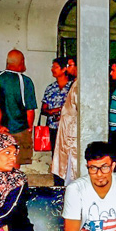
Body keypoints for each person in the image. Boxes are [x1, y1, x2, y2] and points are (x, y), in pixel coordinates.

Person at [0, 50, 37, 168]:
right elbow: (30, 109)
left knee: (0, 163)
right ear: (22, 62)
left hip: (0, 128)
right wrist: (29, 128)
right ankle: (14, 185)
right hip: (19, 128)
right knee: (15, 164)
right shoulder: (25, 81)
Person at [40, 56, 72, 184]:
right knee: (56, 157)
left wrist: (61, 112)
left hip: (68, 129)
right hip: (53, 128)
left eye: (55, 67)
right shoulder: (50, 88)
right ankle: (57, 183)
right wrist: (54, 111)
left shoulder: (72, 87)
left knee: (69, 157)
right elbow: (44, 109)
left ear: (64, 69)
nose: (52, 69)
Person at [51, 57, 78, 185]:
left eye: (71, 65)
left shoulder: (78, 85)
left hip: (73, 133)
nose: (68, 68)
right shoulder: (76, 83)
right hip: (65, 129)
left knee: (72, 166)